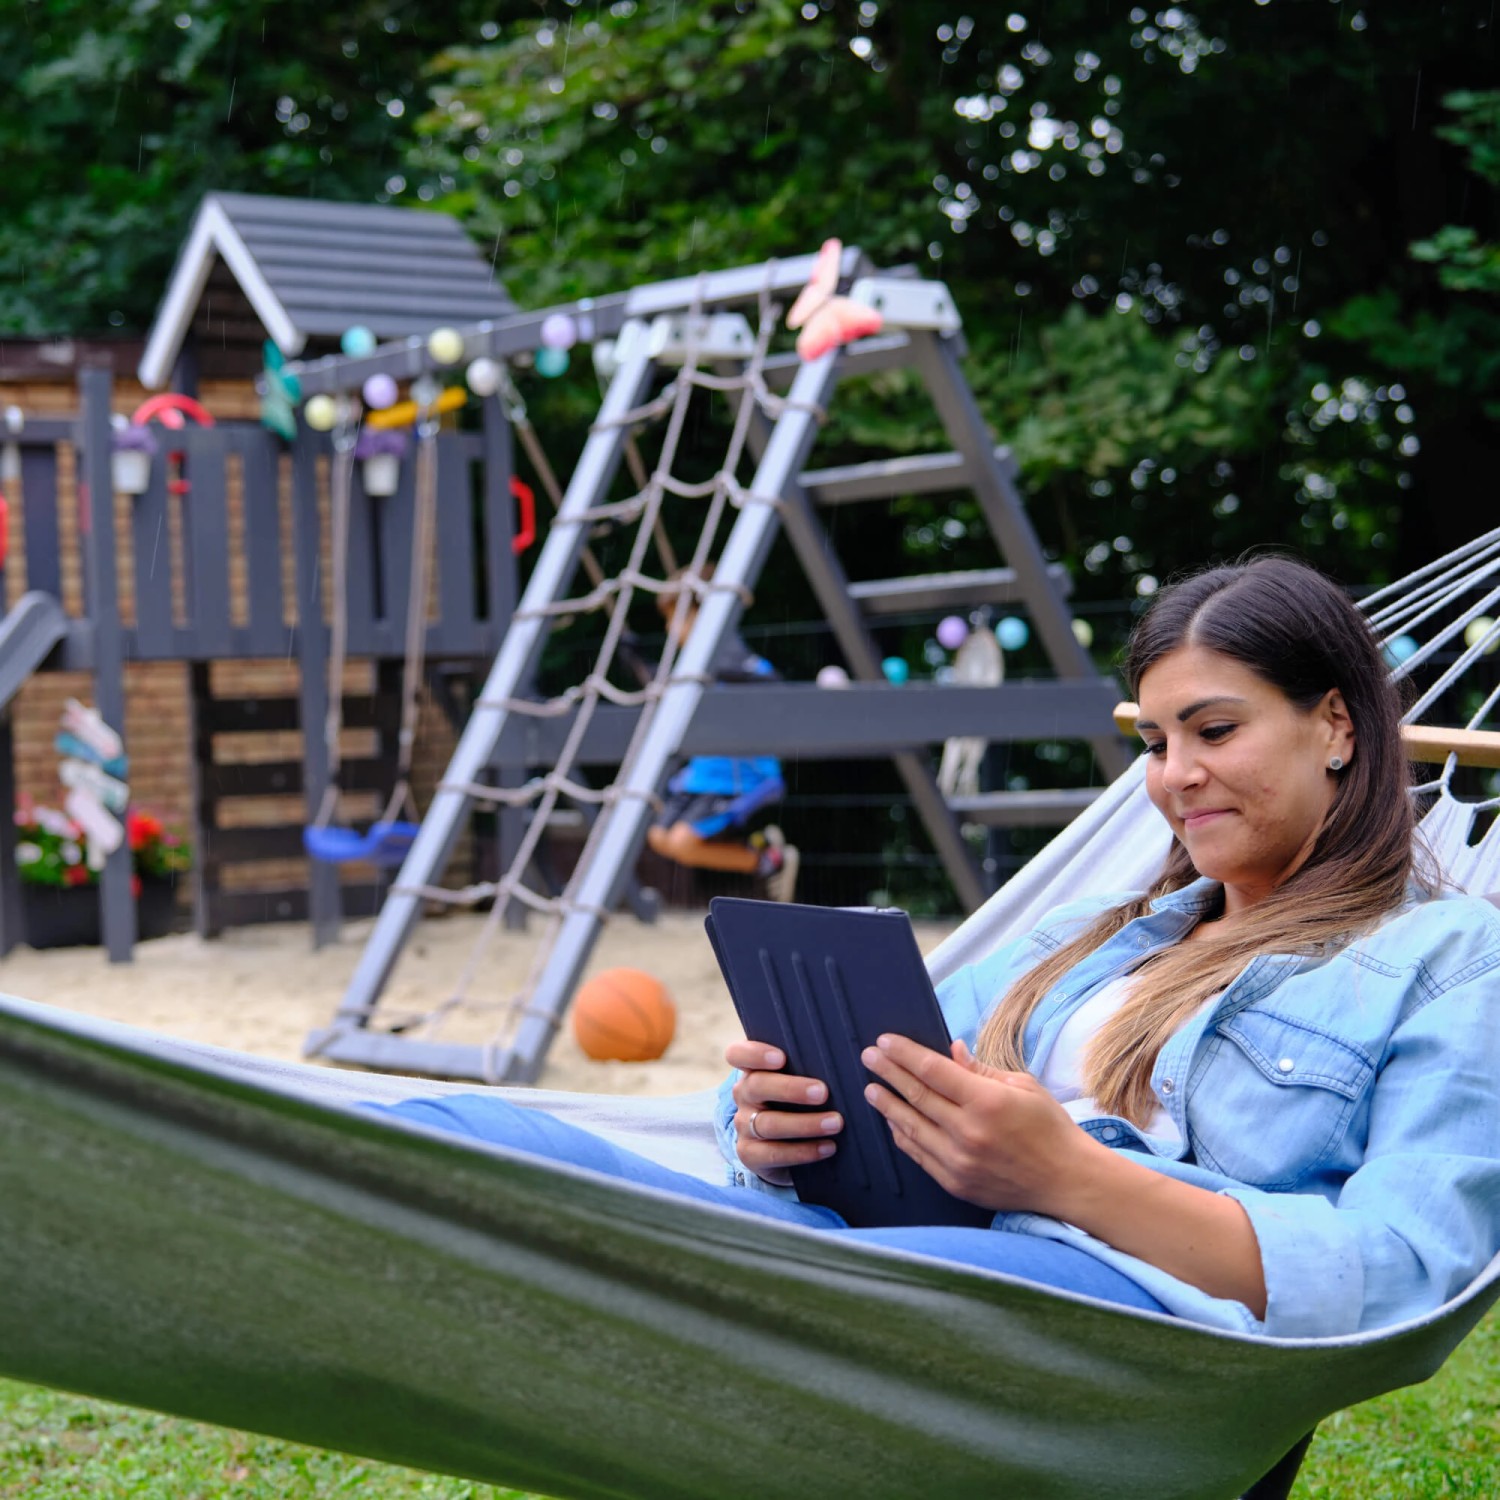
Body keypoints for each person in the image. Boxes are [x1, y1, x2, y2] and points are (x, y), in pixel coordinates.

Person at [377, 555, 1500, 1337]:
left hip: (1083, 1314)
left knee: (762, 1283)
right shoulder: (1084, 935)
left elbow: (1402, 1274)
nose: (1173, 775)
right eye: (1154, 742)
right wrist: (772, 1126)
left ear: (1339, 725)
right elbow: (882, 1073)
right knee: (456, 1134)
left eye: (1215, 730)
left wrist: (1070, 1177)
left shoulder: (1447, 958)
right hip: (875, 1246)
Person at [627, 567, 800, 902]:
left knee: (681, 842)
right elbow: (671, 698)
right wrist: (638, 663)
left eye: (674, 618)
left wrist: (725, 676)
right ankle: (762, 849)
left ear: (699, 614)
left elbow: (770, 684)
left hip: (741, 775)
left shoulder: (729, 652)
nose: (670, 628)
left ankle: (769, 859)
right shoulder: (695, 662)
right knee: (659, 837)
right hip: (703, 774)